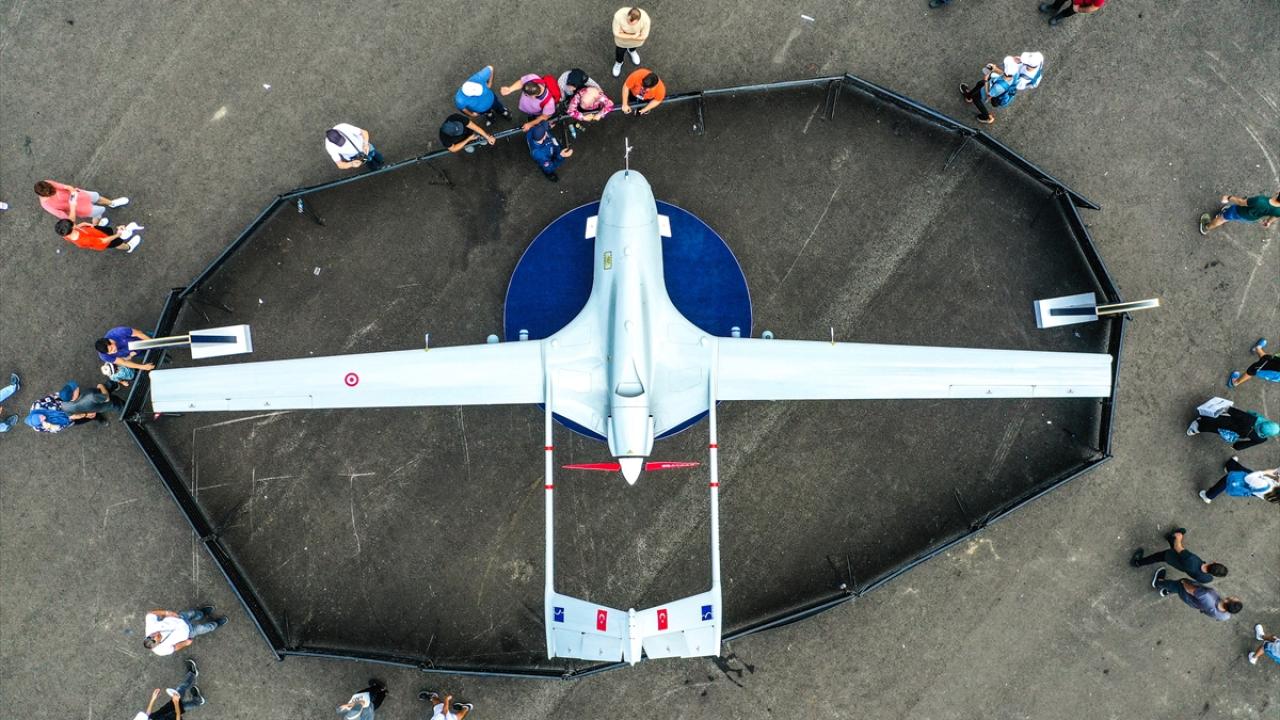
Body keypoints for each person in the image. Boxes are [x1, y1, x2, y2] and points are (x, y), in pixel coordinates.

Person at [1130, 528, 1228, 583]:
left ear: (1215, 562)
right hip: (1181, 565)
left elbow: (1178, 547)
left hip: (1170, 557)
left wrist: (1179, 537)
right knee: (1181, 554)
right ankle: (1169, 537)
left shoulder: (1192, 559)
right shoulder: (1207, 579)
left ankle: (1138, 562)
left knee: (1156, 557)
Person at [1150, 568, 1241, 621]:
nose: (1235, 596)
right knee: (1177, 589)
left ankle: (1158, 583)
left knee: (1178, 586)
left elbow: (1189, 589)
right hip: (1195, 604)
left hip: (1188, 594)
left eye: (1233, 598)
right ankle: (1167, 591)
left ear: (1226, 601)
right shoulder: (1225, 616)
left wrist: (1183, 582)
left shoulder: (1208, 595)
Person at [1186, 405, 1278, 451]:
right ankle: (1198, 427)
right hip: (1234, 432)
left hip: (1230, 421)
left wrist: (1228, 409)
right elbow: (1247, 444)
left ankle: (1198, 423)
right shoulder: (1262, 439)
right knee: (1215, 429)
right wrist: (1236, 447)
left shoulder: (1254, 419)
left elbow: (1241, 414)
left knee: (1216, 420)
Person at [142, 606, 228, 656]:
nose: (157, 633)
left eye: (154, 634)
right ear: (157, 644)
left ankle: (202, 613)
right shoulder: (160, 651)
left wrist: (167, 613)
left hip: (180, 618)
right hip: (188, 632)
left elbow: (151, 614)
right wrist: (185, 643)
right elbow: (174, 648)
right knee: (204, 628)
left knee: (194, 613)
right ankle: (216, 624)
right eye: (158, 637)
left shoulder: (151, 627)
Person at [135, 659, 205, 719]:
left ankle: (198, 701)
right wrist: (176, 703)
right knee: (180, 692)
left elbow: (146, 715)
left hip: (163, 712)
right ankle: (192, 673)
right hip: (172, 716)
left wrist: (153, 699)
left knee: (183, 706)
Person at [34, 179, 128, 223]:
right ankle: (96, 225)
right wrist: (73, 206)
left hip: (80, 195)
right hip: (80, 209)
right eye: (49, 193)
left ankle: (112, 203)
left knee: (97, 197)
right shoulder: (46, 205)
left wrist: (71, 190)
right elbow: (66, 218)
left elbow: (63, 186)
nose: (52, 191)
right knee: (99, 211)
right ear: (43, 195)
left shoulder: (47, 183)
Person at [1198, 456, 1280, 504]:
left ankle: (1208, 496)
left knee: (1228, 480)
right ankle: (1230, 465)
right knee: (1244, 471)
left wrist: (1265, 472)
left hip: (1251, 482)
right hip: (1256, 489)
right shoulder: (1274, 497)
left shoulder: (1265, 485)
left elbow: (1248, 478)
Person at [1199, 191, 1280, 235]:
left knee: (1222, 219)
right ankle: (1227, 214)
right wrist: (1269, 222)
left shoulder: (1260, 200)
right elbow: (1275, 216)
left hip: (1238, 211)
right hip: (1250, 218)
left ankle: (1206, 227)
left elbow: (1241, 202)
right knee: (1233, 216)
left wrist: (1228, 197)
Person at [55, 218, 143, 253]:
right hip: (103, 241)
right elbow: (103, 241)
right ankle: (128, 247)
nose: (75, 224)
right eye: (73, 224)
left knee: (108, 230)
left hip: (95, 232)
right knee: (117, 243)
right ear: (72, 228)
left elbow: (77, 227)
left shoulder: (66, 234)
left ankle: (122, 240)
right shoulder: (84, 240)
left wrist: (83, 224)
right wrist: (118, 234)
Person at [25, 391, 95, 433]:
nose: (43, 417)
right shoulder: (39, 428)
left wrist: (65, 395)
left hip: (63, 405)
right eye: (41, 420)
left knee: (80, 403)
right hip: (65, 420)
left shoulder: (37, 405)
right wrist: (50, 426)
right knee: (82, 419)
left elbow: (50, 397)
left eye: (39, 416)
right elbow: (57, 429)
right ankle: (95, 417)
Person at [611, 6, 651, 78]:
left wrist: (623, 33)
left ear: (639, 20)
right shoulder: (618, 16)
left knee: (633, 47)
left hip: (633, 42)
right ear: (627, 15)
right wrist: (633, 36)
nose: (629, 24)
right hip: (622, 42)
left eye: (632, 23)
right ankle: (619, 62)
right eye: (628, 21)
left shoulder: (645, 20)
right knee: (620, 52)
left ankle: (631, 51)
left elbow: (644, 37)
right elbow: (616, 33)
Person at [59, 380, 123, 417]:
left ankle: (114, 385)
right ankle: (128, 411)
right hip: (106, 402)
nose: (76, 386)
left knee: (109, 385)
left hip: (96, 407)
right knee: (118, 403)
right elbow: (107, 398)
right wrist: (101, 386)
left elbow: (72, 416)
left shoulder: (64, 406)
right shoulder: (91, 396)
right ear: (73, 396)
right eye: (74, 389)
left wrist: (86, 414)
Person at [1039, 0, 1106, 26]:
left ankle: (1060, 16)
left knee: (1070, 11)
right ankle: (1053, 8)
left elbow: (1093, 8)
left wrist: (1079, 9)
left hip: (1081, 4)